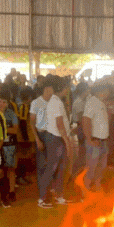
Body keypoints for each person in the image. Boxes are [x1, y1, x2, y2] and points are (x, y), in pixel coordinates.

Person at [38, 76, 72, 207]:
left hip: (57, 139)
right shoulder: (56, 102)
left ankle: (59, 195)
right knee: (51, 169)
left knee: (60, 168)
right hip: (56, 139)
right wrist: (67, 143)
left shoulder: (56, 101)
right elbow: (60, 125)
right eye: (67, 88)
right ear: (62, 88)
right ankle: (42, 198)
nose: (68, 90)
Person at [30, 78, 53, 208]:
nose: (50, 92)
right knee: (42, 166)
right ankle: (42, 197)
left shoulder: (54, 102)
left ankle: (48, 192)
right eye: (48, 89)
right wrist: (37, 139)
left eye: (52, 90)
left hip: (52, 135)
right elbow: (32, 122)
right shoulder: (36, 103)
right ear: (44, 89)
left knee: (51, 166)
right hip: (42, 135)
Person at [82, 83, 110, 191]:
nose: (108, 93)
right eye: (106, 91)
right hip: (95, 140)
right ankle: (87, 189)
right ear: (100, 91)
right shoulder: (92, 102)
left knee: (102, 166)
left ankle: (98, 185)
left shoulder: (101, 102)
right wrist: (90, 139)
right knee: (91, 167)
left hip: (103, 140)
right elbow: (86, 120)